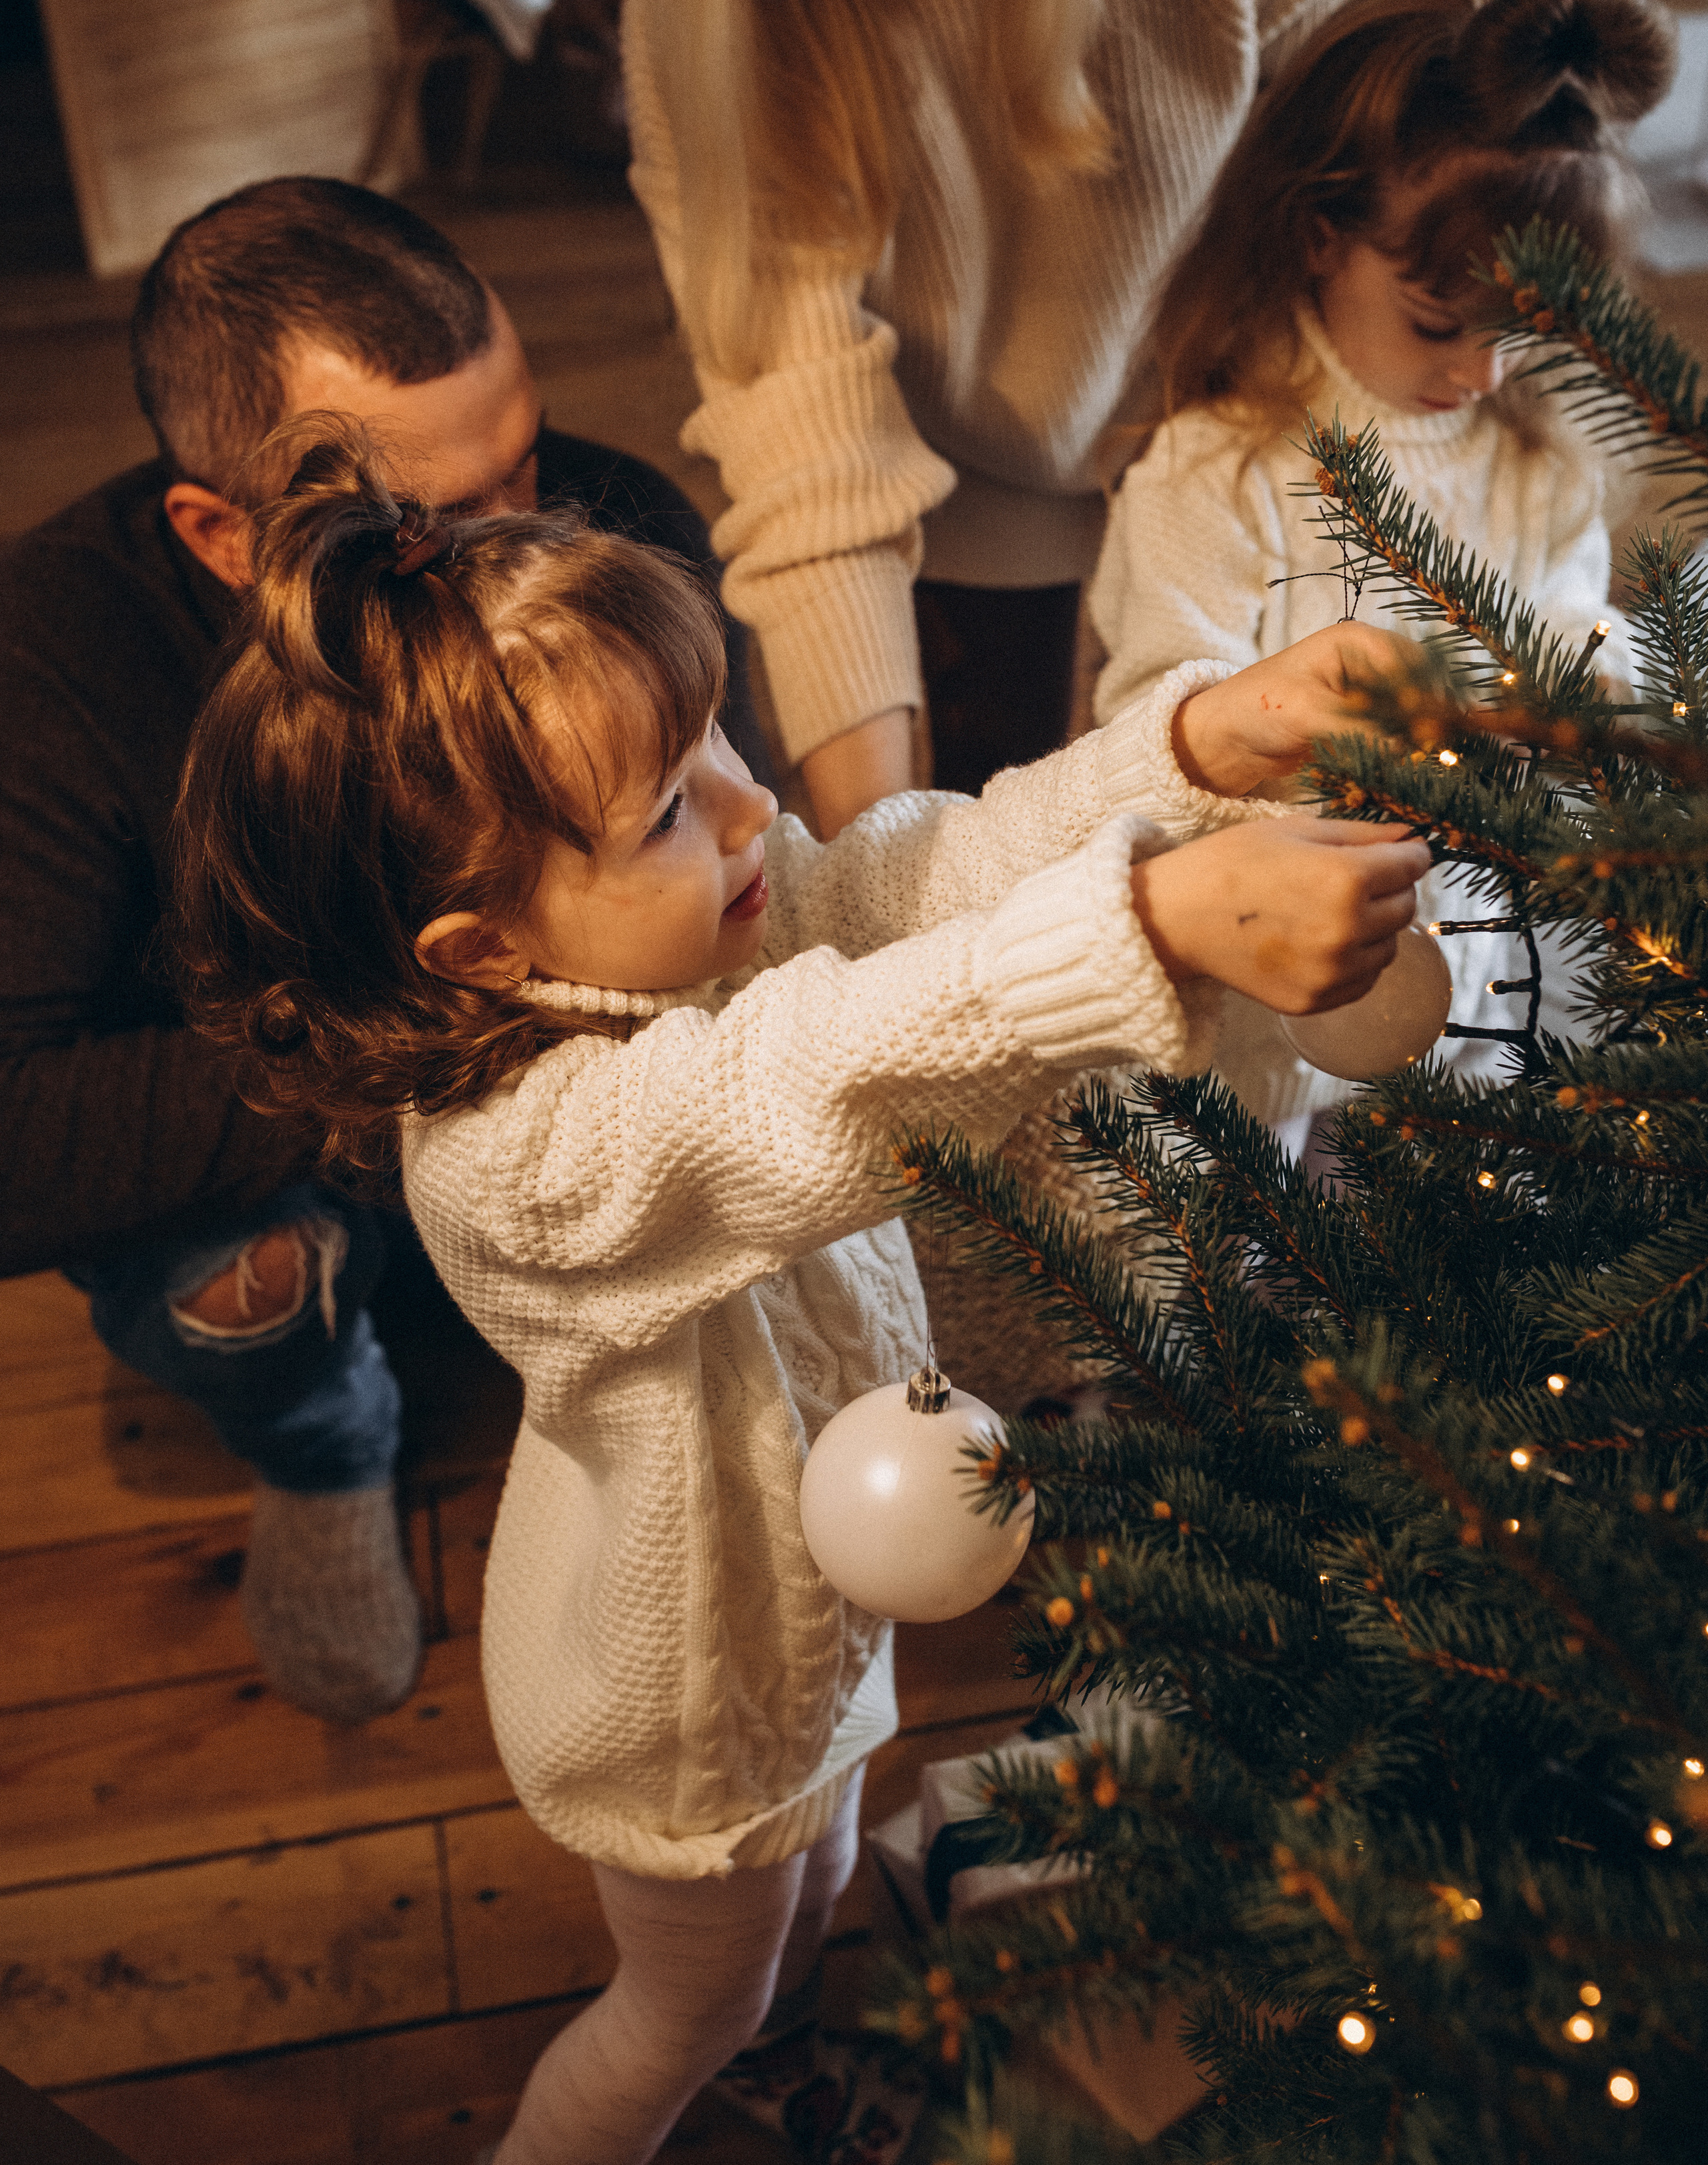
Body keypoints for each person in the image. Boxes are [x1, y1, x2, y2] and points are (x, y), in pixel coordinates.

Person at [171, 416, 1429, 2162]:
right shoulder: (528, 1157)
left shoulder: (699, 932)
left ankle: (775, 2031)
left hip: (805, 1635)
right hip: (685, 1707)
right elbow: (809, 1082)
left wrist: (1205, 744)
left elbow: (920, 877)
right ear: (485, 949)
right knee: (668, 2008)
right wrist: (1147, 929)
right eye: (669, 802)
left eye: (718, 735)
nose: (754, 801)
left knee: (818, 1874)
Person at [0, 175, 767, 1725]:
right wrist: (398, 1031)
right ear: (224, 534)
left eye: (525, 459)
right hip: (275, 1149)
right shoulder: (52, 661)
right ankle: (324, 1445)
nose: (529, 547)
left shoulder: (610, 531)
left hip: (570, 1065)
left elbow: (739, 851)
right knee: (242, 1281)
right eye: (431, 524)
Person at [1087, 0, 1671, 1148]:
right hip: (1278, 927)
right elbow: (1157, 728)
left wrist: (1593, 685)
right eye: (1438, 321)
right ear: (1319, 235)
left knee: (1518, 1124)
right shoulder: (1220, 470)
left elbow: (1566, 610)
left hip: (1485, 910)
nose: (1482, 369)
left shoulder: (1535, 452)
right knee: (1221, 1165)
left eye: (1525, 330)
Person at [619, 0, 1354, 839]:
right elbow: (808, 453)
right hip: (954, 460)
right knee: (996, 771)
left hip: (1239, 410)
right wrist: (880, 868)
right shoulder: (717, 34)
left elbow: (1385, 120)